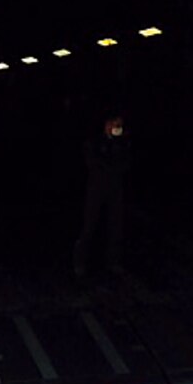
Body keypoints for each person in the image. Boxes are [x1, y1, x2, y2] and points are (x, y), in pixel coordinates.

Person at [73, 111, 133, 281]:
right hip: (96, 188)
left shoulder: (123, 142)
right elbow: (92, 161)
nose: (117, 128)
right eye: (114, 124)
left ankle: (113, 261)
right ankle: (80, 262)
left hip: (115, 188)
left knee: (115, 225)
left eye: (119, 125)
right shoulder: (95, 141)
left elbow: (126, 162)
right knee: (89, 224)